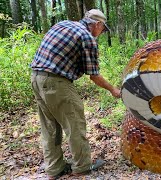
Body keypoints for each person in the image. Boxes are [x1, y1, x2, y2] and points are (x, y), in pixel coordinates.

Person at [30, 9, 121, 179]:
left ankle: (54, 169)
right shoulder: (87, 38)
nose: (101, 33)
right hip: (56, 82)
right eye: (102, 29)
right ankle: (82, 167)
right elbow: (94, 76)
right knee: (75, 124)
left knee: (49, 127)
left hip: (36, 78)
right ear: (97, 24)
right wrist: (113, 90)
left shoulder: (63, 24)